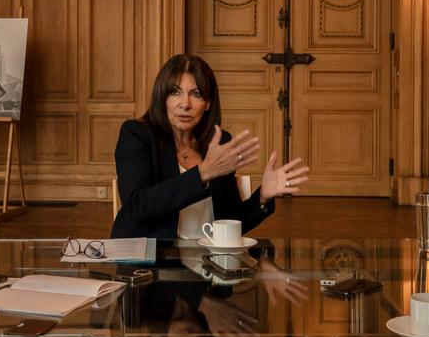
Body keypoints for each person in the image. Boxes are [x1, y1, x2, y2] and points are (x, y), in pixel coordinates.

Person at [112, 53, 308, 239]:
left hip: (206, 263)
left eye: (196, 94)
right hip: (148, 262)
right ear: (162, 97)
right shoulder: (136, 134)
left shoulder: (219, 143)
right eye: (175, 92)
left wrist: (263, 196)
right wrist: (202, 173)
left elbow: (230, 222)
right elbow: (137, 206)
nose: (185, 104)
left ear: (207, 103)